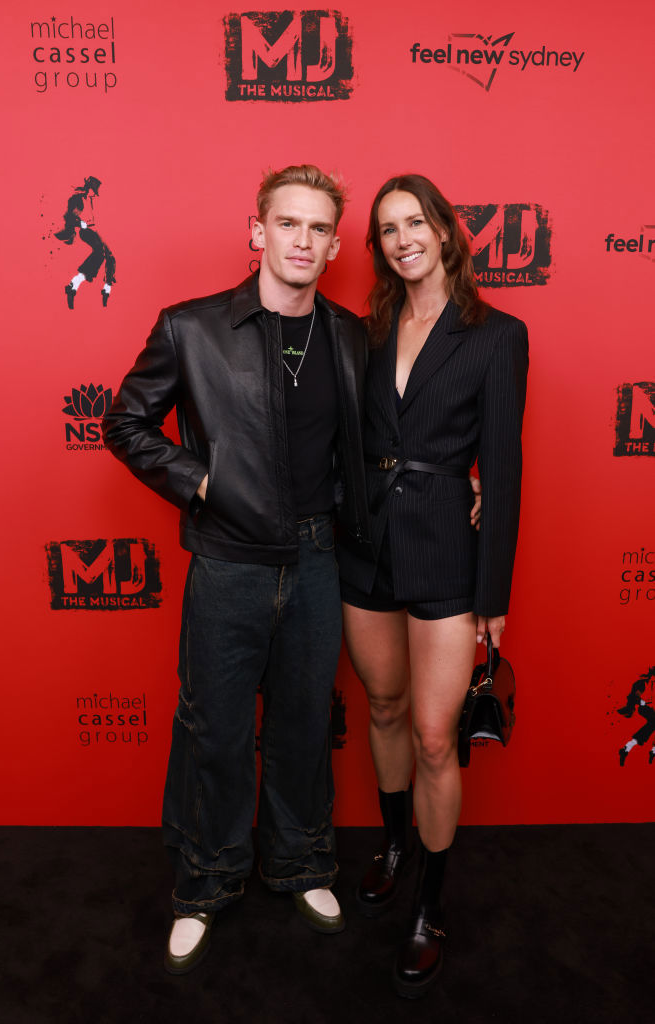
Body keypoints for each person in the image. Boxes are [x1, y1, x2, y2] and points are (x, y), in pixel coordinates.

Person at [102, 164, 372, 974]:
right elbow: (125, 422)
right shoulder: (191, 328)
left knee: (298, 726)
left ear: (331, 246)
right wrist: (200, 481)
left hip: (320, 557)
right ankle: (204, 882)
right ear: (257, 231)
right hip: (227, 563)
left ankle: (299, 864)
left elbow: (367, 445)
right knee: (213, 730)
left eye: (318, 228)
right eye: (287, 223)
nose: (302, 239)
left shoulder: (349, 334)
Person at [337, 174, 529, 998]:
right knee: (380, 706)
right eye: (386, 229)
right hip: (367, 545)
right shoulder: (367, 328)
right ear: (377, 247)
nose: (401, 238)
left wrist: (493, 595)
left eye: (415, 221)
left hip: (449, 549)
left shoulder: (497, 334)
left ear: (447, 231)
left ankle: (430, 904)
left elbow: (506, 468)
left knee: (433, 736)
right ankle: (391, 841)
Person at [55, 175, 116, 308]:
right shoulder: (79, 198)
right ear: (90, 188)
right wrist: (80, 222)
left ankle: (107, 289)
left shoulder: (90, 199)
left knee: (110, 256)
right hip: (86, 230)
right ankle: (74, 283)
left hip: (95, 230)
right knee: (100, 251)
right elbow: (70, 215)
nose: (96, 193)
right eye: (95, 190)